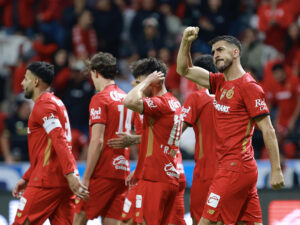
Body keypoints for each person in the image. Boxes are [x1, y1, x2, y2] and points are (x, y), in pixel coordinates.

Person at [177, 27, 285, 225]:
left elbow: (268, 130)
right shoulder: (219, 83)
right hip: (232, 167)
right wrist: (186, 41)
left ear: (236, 52)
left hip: (235, 168)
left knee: (206, 222)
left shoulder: (249, 87)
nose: (216, 55)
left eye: (220, 50)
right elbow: (184, 70)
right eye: (213, 52)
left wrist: (276, 169)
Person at [108, 61, 186, 225]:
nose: (137, 85)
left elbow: (129, 101)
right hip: (164, 174)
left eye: (140, 80)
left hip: (156, 178)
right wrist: (139, 169)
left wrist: (145, 82)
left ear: (155, 79)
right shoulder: (174, 102)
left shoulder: (161, 103)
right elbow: (155, 140)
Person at [12, 61, 88, 225]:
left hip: (46, 181)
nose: (22, 83)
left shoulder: (44, 105)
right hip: (61, 183)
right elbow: (46, 150)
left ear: (36, 81)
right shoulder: (56, 102)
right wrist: (27, 177)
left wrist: (71, 174)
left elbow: (58, 138)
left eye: (26, 79)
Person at [73, 52, 132, 225]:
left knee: (78, 218)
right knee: (112, 221)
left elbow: (97, 141)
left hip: (103, 171)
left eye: (91, 74)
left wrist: (86, 178)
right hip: (122, 171)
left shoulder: (100, 99)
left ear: (96, 72)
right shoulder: (127, 98)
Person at [181, 55, 219, 225]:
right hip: (232, 170)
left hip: (206, 171)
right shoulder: (232, 95)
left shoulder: (197, 98)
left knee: (200, 219)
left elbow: (173, 133)